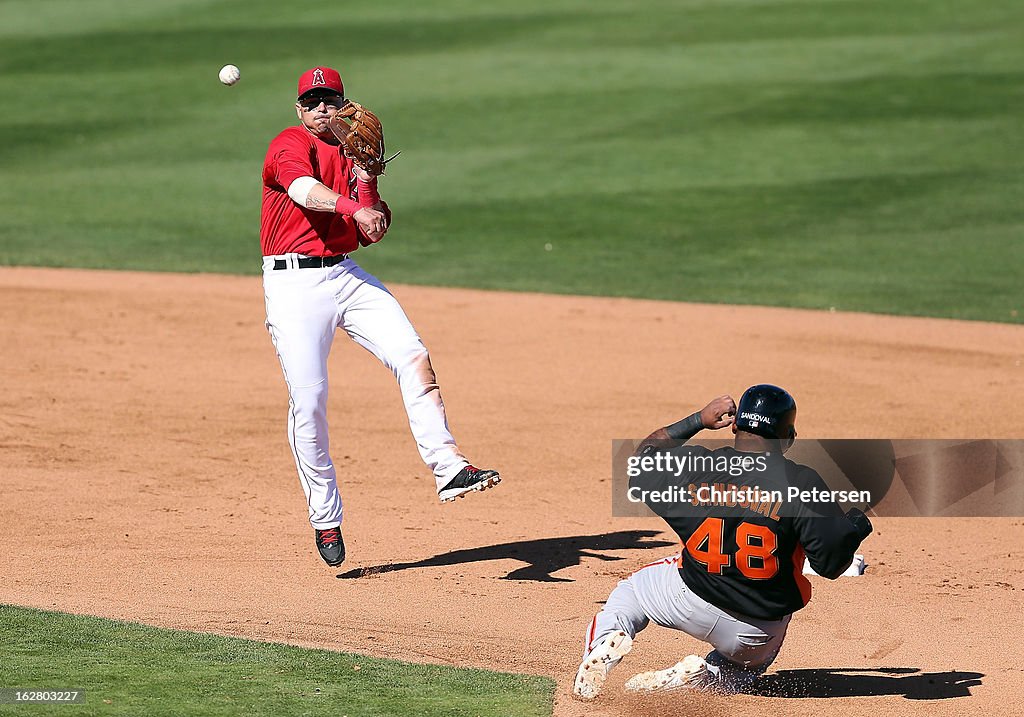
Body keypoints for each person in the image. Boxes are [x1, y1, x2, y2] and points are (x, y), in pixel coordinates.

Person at [260, 66, 500, 568]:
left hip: (346, 276)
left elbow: (368, 231)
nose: (322, 109)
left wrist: (367, 180)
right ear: (299, 109)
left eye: (331, 100)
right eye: (313, 101)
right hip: (293, 286)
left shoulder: (353, 156)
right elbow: (304, 191)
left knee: (414, 356)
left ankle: (448, 467)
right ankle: (325, 518)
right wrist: (352, 205)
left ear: (345, 106)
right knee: (310, 402)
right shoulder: (288, 143)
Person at [573, 385, 872, 699]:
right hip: (754, 630)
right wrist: (851, 530)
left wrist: (699, 419)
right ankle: (704, 676)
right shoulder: (802, 483)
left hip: (685, 600)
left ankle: (605, 643)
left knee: (630, 594)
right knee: (746, 668)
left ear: (734, 426)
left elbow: (642, 463)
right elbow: (830, 565)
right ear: (788, 438)